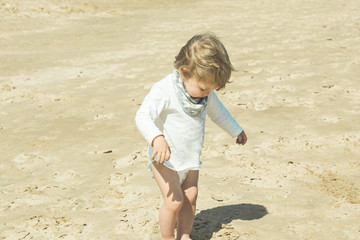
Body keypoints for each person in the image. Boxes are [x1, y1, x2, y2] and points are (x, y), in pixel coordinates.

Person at [135, 32, 247, 240]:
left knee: (191, 197)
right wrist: (157, 138)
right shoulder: (164, 90)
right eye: (204, 88)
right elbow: (142, 116)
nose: (207, 94)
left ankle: (184, 235)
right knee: (174, 201)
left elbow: (219, 113)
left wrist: (235, 130)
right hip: (165, 159)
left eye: (211, 90)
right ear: (185, 72)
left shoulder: (204, 93)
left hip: (190, 158)